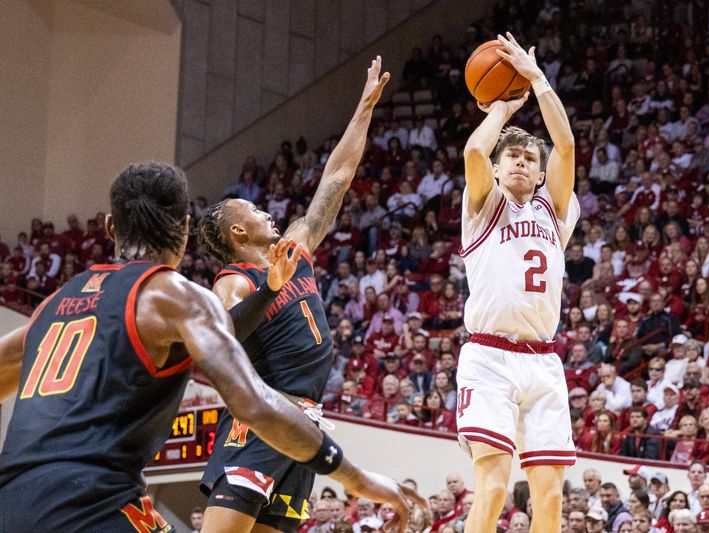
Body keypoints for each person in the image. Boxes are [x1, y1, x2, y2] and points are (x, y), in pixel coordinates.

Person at [0, 163, 423, 531]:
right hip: (91, 503)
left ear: (112, 226)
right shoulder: (174, 297)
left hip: (10, 500)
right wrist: (353, 476)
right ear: (184, 227)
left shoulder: (54, 305)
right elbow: (253, 405)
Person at [196, 58, 395, 533]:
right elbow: (221, 336)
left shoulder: (296, 249)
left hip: (305, 424)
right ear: (238, 230)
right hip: (265, 414)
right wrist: (269, 288)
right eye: (255, 209)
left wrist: (364, 107)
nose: (268, 212)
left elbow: (337, 178)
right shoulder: (235, 279)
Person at [455, 33, 578, 533]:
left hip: (544, 360)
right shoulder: (483, 203)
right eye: (515, 158)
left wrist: (538, 80)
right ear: (500, 168)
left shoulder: (556, 208)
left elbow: (566, 144)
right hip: (490, 357)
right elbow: (472, 153)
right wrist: (503, 109)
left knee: (549, 496)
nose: (524, 163)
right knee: (494, 484)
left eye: (531, 158)